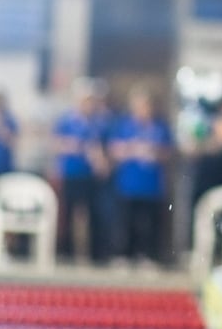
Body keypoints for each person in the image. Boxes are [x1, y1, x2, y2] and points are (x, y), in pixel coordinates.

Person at [108, 87, 175, 266]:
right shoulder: (123, 125)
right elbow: (114, 150)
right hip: (128, 183)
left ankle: (147, 256)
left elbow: (169, 152)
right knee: (125, 222)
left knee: (149, 223)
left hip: (151, 185)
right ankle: (123, 255)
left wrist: (153, 151)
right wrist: (132, 148)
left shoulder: (161, 126)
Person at [51, 78, 111, 263]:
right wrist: (72, 146)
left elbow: (103, 148)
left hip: (90, 175)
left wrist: (100, 161)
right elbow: (55, 143)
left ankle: (95, 255)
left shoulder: (98, 123)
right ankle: (65, 253)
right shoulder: (66, 120)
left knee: (93, 214)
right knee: (68, 213)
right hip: (72, 173)